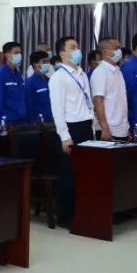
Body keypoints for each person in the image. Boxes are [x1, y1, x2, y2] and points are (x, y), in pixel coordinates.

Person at [48, 36, 94, 227]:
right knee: (68, 175)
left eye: (77, 47)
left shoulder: (82, 74)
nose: (78, 51)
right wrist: (65, 136)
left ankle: (82, 212)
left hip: (85, 126)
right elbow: (57, 110)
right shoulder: (58, 77)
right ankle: (65, 217)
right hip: (70, 129)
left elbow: (87, 101)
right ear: (63, 54)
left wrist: (92, 125)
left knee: (84, 173)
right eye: (72, 48)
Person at [91, 38, 128, 141]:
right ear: (105, 52)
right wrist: (105, 128)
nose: (119, 51)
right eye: (116, 48)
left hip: (122, 129)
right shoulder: (100, 72)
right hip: (109, 130)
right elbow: (98, 101)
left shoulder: (118, 71)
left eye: (119, 47)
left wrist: (126, 127)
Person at [0, 41, 28, 126]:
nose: (19, 55)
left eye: (20, 53)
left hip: (22, 120)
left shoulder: (18, 75)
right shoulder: (0, 75)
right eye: (16, 53)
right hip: (8, 121)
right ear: (7, 54)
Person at [25, 51, 53, 123]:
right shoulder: (29, 83)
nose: (47, 64)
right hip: (38, 123)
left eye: (48, 61)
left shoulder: (50, 81)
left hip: (52, 120)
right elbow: (29, 106)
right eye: (44, 62)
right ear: (35, 65)